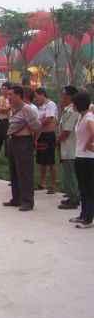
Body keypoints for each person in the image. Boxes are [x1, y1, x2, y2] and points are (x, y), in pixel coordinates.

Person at [3, 85, 42, 211]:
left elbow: (37, 127)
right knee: (14, 171)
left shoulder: (27, 109)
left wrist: (34, 140)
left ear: (19, 95)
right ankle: (16, 198)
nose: (8, 97)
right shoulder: (12, 109)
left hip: (23, 142)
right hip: (12, 141)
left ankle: (27, 201)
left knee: (24, 172)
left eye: (11, 94)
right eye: (8, 95)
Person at [70, 91, 94, 229]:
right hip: (79, 156)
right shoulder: (81, 116)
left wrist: (89, 144)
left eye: (73, 103)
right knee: (82, 188)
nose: (72, 105)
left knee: (88, 189)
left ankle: (88, 218)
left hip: (88, 159)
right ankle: (83, 214)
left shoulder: (89, 117)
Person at [57, 86, 80, 210]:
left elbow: (66, 131)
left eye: (63, 95)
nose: (62, 97)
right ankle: (72, 196)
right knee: (68, 174)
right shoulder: (67, 110)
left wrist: (58, 140)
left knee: (69, 176)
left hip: (70, 149)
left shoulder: (72, 111)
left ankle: (74, 199)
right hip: (67, 148)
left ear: (70, 96)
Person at [34, 87, 59, 194]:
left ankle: (53, 184)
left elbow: (48, 119)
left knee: (50, 160)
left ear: (42, 94)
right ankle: (42, 182)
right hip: (41, 135)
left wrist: (36, 124)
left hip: (48, 135)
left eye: (36, 96)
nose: (36, 99)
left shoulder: (50, 105)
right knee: (42, 161)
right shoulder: (40, 107)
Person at [0, 82, 12, 156]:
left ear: (9, 89)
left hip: (8, 121)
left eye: (5, 89)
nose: (3, 90)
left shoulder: (11, 98)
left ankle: (7, 155)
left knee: (7, 138)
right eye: (2, 88)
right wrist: (3, 109)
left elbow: (8, 109)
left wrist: (2, 109)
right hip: (0, 120)